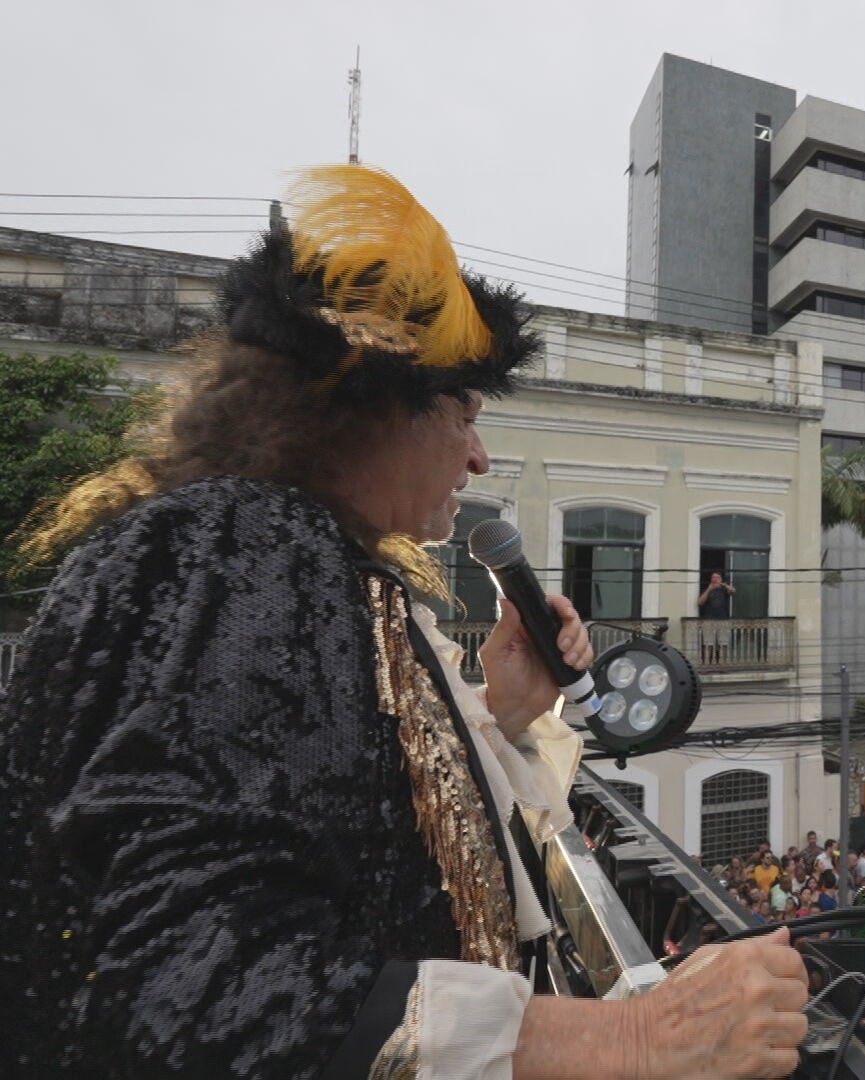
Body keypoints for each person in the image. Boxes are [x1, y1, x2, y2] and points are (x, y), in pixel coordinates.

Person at [0, 165, 808, 1079]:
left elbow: (352, 819)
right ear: (380, 408)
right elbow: (190, 995)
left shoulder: (306, 559)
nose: (477, 453)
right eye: (464, 411)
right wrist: (637, 1038)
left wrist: (500, 709)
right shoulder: (235, 551)